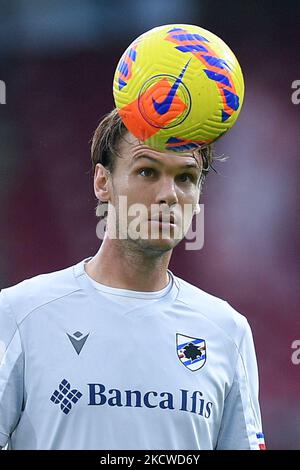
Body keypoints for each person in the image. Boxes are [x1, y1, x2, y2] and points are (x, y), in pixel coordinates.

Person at [0, 109, 265, 450]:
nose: (169, 194)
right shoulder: (20, 314)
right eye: (147, 171)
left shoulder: (227, 332)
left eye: (185, 177)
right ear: (102, 182)